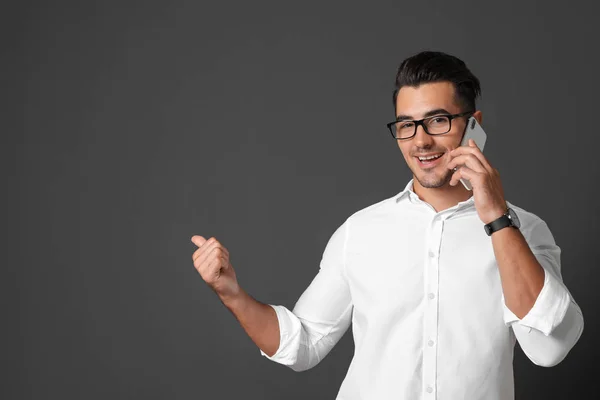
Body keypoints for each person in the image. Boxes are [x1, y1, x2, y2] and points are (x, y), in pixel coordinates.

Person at [190, 51, 584, 400]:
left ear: (473, 125)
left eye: (438, 121)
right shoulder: (360, 231)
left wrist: (497, 218)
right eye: (406, 125)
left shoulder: (524, 231)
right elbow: (303, 344)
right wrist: (232, 294)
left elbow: (548, 350)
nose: (421, 141)